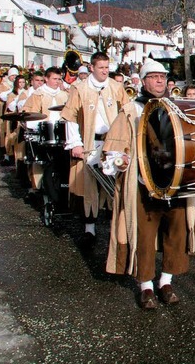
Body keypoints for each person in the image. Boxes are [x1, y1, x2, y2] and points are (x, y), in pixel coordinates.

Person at [102, 59, 195, 310]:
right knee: (144, 237)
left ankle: (166, 282)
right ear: (144, 81)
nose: (159, 81)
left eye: (162, 76)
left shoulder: (178, 108)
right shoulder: (131, 111)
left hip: (175, 182)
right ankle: (146, 286)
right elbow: (113, 151)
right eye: (154, 77)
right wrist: (120, 160)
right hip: (144, 184)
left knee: (176, 234)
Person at [61, 52, 129, 246]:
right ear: (92, 67)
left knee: (113, 185)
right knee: (89, 186)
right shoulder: (79, 89)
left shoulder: (116, 87)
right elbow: (70, 117)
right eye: (101, 68)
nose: (105, 71)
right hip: (90, 143)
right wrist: (75, 143)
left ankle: (114, 230)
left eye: (107, 68)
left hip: (111, 143)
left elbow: (126, 113)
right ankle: (89, 229)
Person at [22, 67, 69, 196]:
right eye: (54, 79)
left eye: (59, 79)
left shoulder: (65, 95)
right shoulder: (38, 94)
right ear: (46, 79)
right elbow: (30, 114)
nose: (57, 81)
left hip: (61, 133)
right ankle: (38, 187)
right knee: (41, 161)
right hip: (44, 132)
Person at [2, 75, 28, 165]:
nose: (22, 84)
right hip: (14, 118)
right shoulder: (12, 94)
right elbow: (11, 107)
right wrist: (16, 100)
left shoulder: (27, 92)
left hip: (23, 119)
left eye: (23, 82)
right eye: (20, 82)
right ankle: (8, 154)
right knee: (11, 136)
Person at [0, 67, 20, 146]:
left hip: (16, 109)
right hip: (6, 109)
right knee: (6, 129)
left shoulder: (19, 84)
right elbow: (0, 96)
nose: (14, 77)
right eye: (12, 75)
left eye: (16, 75)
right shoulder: (4, 84)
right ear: (9, 76)